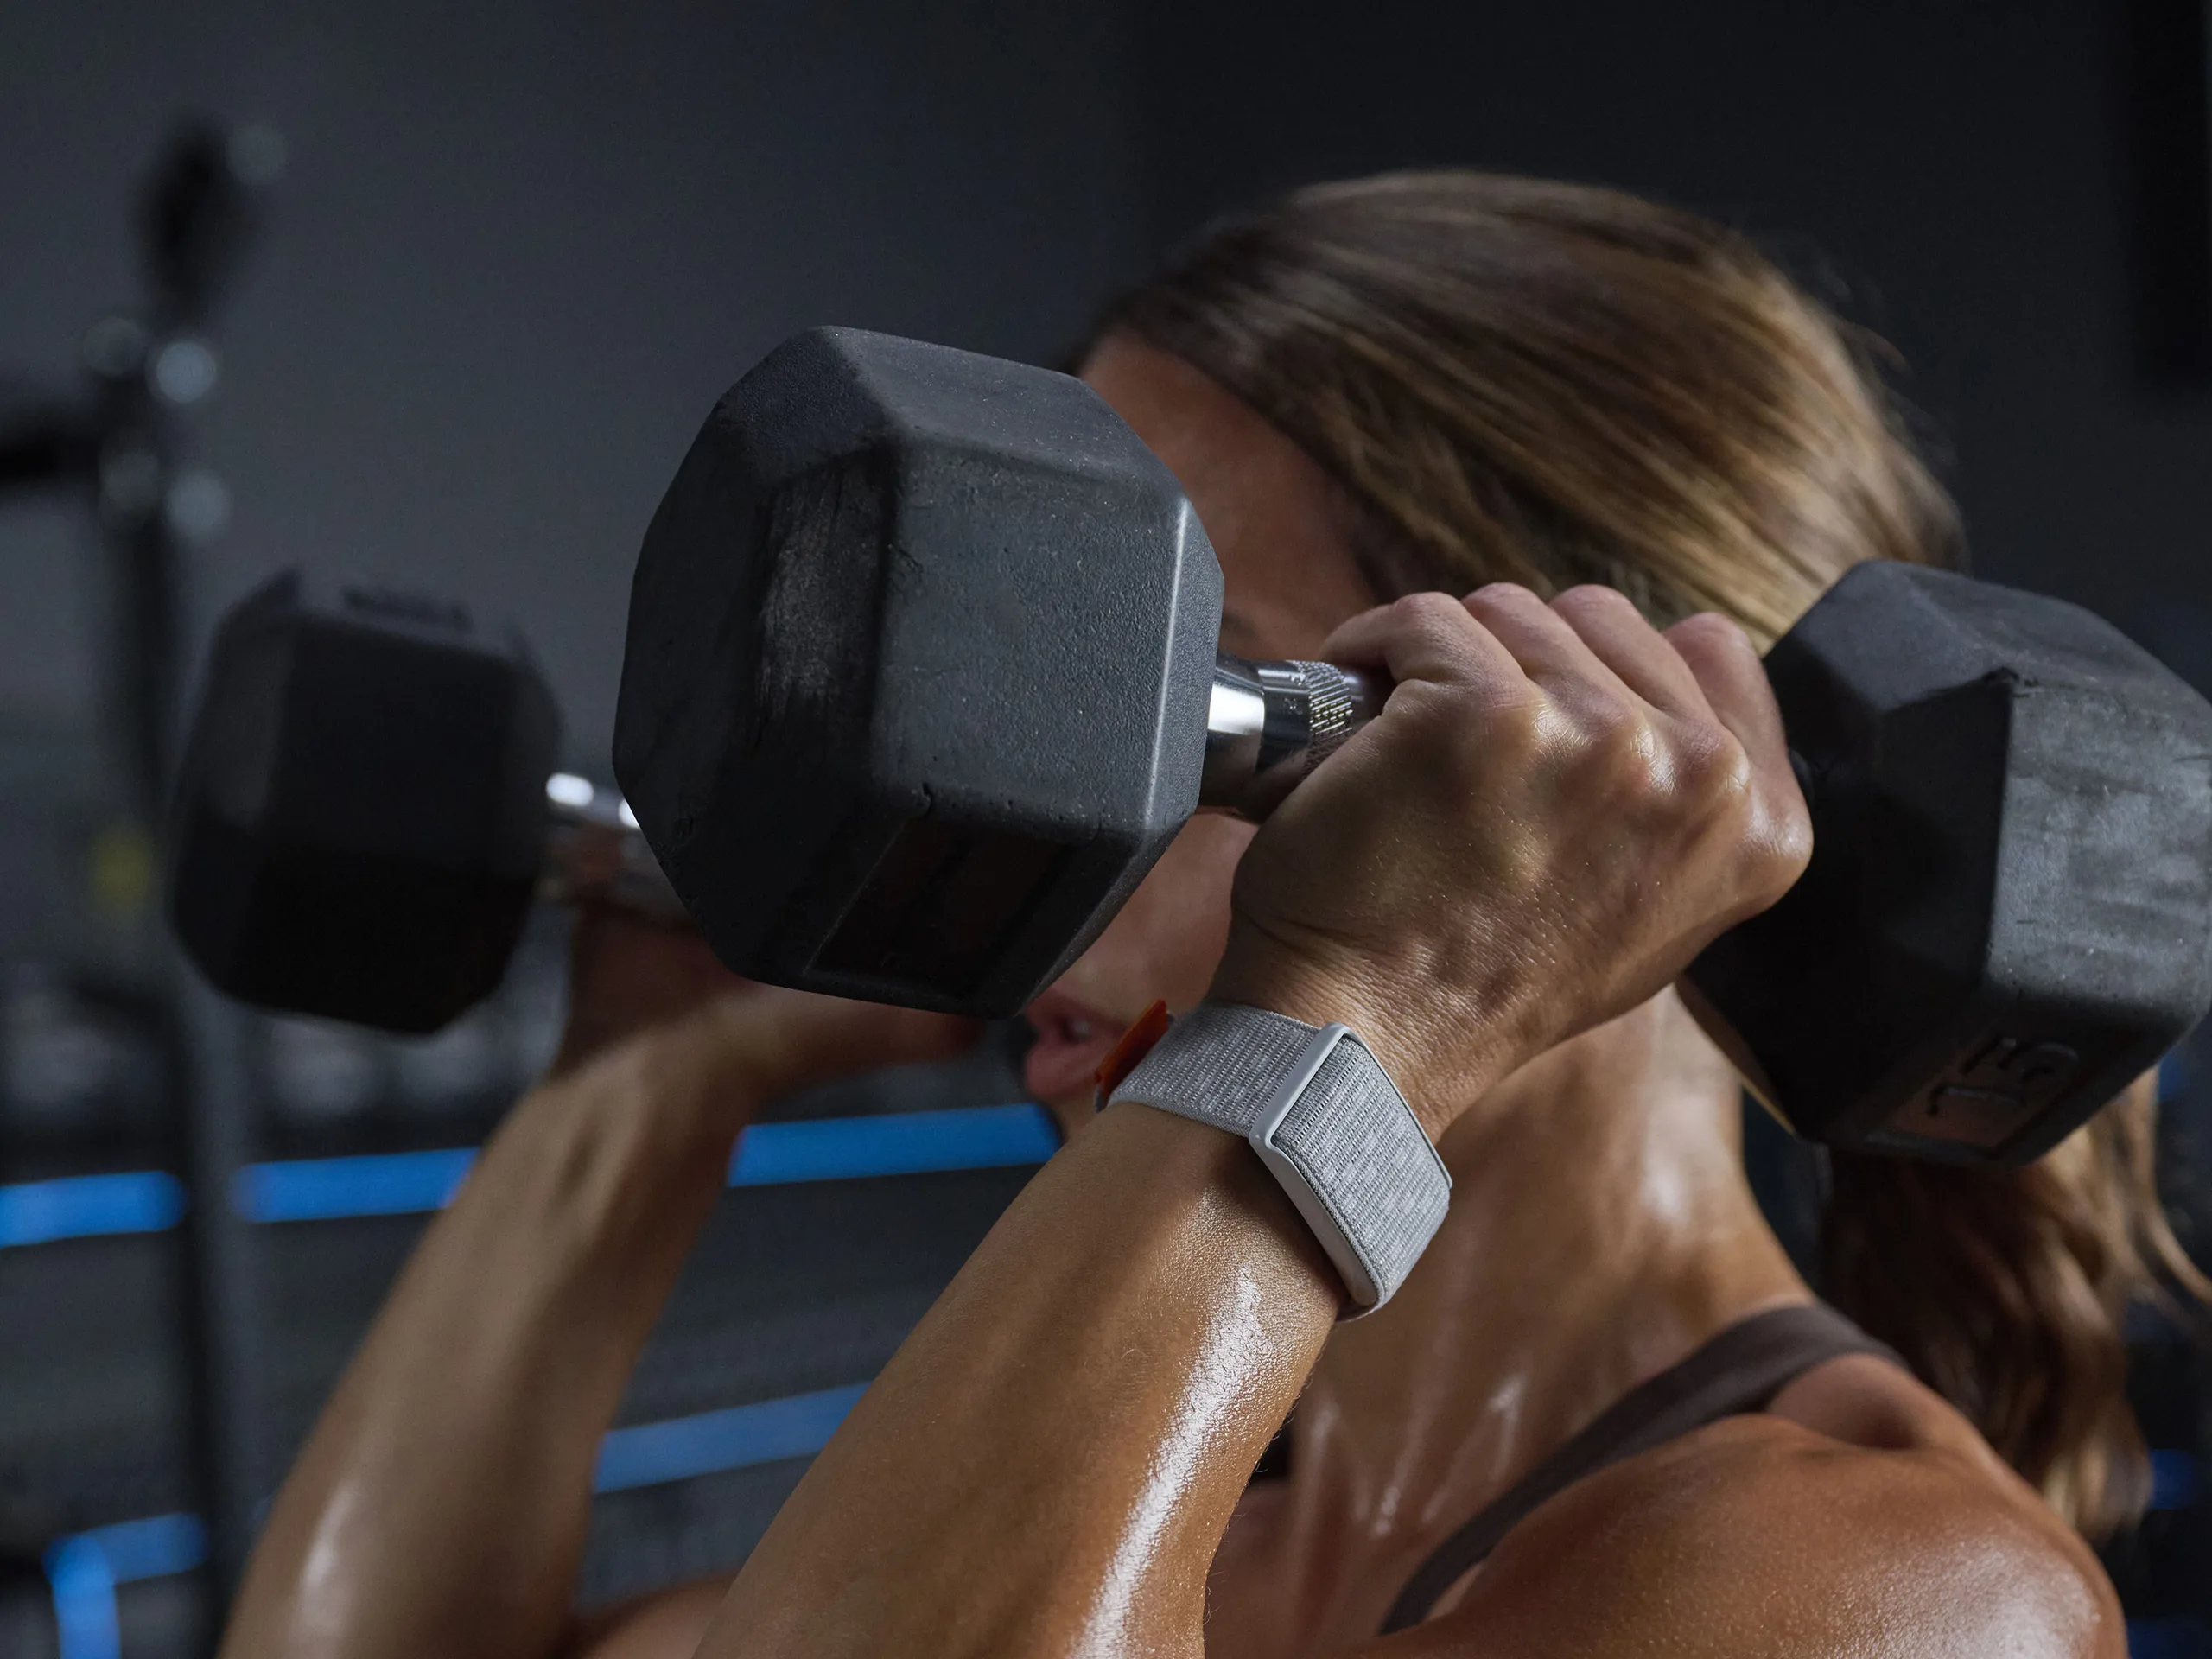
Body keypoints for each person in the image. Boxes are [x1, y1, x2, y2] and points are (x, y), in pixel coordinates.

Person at [217, 173, 2204, 1659]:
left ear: (1614, 769)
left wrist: (1366, 999)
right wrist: (642, 1085)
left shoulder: (1896, 1596)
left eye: (1182, 699)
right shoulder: (1174, 1534)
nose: (1052, 839)